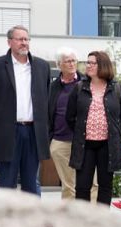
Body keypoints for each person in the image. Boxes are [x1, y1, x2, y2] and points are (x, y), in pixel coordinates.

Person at [0, 25, 51, 194]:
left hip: (33, 132)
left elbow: (45, 100)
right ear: (9, 42)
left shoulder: (42, 67)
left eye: (26, 39)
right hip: (7, 132)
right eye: (20, 39)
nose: (24, 43)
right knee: (7, 183)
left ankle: (32, 220)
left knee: (31, 184)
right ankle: (7, 220)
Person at [66, 50, 121, 205]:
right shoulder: (79, 88)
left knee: (105, 186)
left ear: (102, 65)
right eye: (87, 62)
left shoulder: (117, 89)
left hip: (107, 146)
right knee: (82, 186)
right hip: (85, 145)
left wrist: (114, 133)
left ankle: (102, 221)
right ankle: (83, 221)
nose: (88, 65)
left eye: (92, 63)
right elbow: (70, 117)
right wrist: (81, 133)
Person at [49, 47, 98, 201]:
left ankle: (92, 216)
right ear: (59, 65)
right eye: (67, 61)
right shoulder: (53, 87)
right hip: (60, 140)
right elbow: (48, 112)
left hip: (86, 140)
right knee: (68, 184)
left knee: (92, 182)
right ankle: (70, 217)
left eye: (73, 60)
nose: (71, 64)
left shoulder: (88, 82)